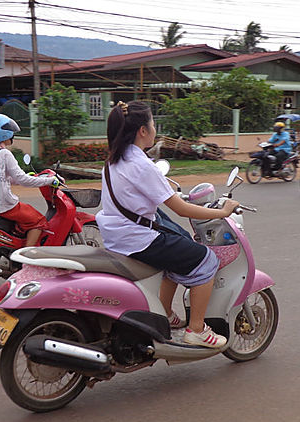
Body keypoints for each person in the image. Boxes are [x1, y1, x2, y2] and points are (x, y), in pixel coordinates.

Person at [97, 101, 239, 349]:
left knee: (181, 239)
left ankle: (162, 314)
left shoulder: (113, 161)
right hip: (137, 239)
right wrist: (222, 211)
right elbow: (181, 208)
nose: (154, 128)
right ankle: (196, 329)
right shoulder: (141, 165)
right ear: (142, 130)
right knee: (206, 259)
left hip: (117, 235)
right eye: (152, 123)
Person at [0, 113, 58, 247]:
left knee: (27, 216)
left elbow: (2, 177)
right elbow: (22, 180)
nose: (12, 135)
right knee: (38, 221)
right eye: (10, 132)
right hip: (2, 204)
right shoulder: (4, 153)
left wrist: (31, 177)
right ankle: (27, 258)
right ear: (3, 134)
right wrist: (49, 181)